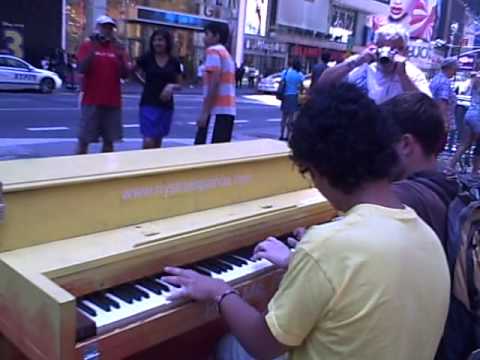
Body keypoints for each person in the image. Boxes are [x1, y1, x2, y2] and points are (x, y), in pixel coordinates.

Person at [163, 83, 450, 360]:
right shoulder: (427, 236)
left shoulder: (328, 246)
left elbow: (263, 344)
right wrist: (300, 261)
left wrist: (219, 290)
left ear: (320, 168)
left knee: (229, 345)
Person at [318, 23, 431, 104]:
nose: (387, 54)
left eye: (395, 49)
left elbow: (425, 107)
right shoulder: (360, 65)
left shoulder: (413, 74)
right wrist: (357, 61)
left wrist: (403, 75)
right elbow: (323, 83)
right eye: (382, 47)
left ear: (405, 51)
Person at [76, 15, 130, 154]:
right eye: (104, 27)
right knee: (84, 140)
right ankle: (78, 170)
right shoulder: (87, 46)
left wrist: (120, 55)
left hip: (112, 102)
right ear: (97, 29)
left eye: (110, 28)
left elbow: (125, 74)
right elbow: (82, 68)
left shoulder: (117, 48)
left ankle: (105, 171)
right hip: (91, 100)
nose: (107, 31)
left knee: (109, 142)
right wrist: (93, 48)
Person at [134, 30, 182, 149]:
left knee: (158, 139)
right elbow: (132, 71)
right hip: (148, 103)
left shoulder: (174, 61)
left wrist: (170, 86)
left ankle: (155, 166)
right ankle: (145, 166)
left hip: (166, 105)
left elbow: (180, 84)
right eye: (155, 40)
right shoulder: (147, 58)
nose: (157, 43)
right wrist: (143, 83)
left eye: (160, 40)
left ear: (167, 42)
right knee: (148, 140)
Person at [194, 22, 236, 145]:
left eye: (207, 34)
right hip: (227, 112)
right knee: (218, 153)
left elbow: (214, 81)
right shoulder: (226, 54)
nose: (204, 37)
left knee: (205, 151)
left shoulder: (213, 51)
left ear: (216, 36)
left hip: (216, 112)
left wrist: (205, 112)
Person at [447, 72, 480, 173]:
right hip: (478, 116)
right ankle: (474, 172)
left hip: (470, 113)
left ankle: (450, 166)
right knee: (479, 145)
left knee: (465, 144)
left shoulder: (475, 79)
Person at [430, 57, 458, 150]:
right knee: (437, 145)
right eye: (455, 69)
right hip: (439, 120)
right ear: (449, 68)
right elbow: (443, 102)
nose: (455, 72)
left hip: (433, 117)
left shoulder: (436, 78)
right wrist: (445, 122)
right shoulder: (444, 82)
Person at [279, 59, 304, 140]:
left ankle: (281, 135)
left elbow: (281, 82)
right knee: (291, 117)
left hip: (285, 96)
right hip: (294, 96)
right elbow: (302, 86)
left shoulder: (285, 72)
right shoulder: (300, 74)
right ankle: (288, 135)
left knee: (283, 116)